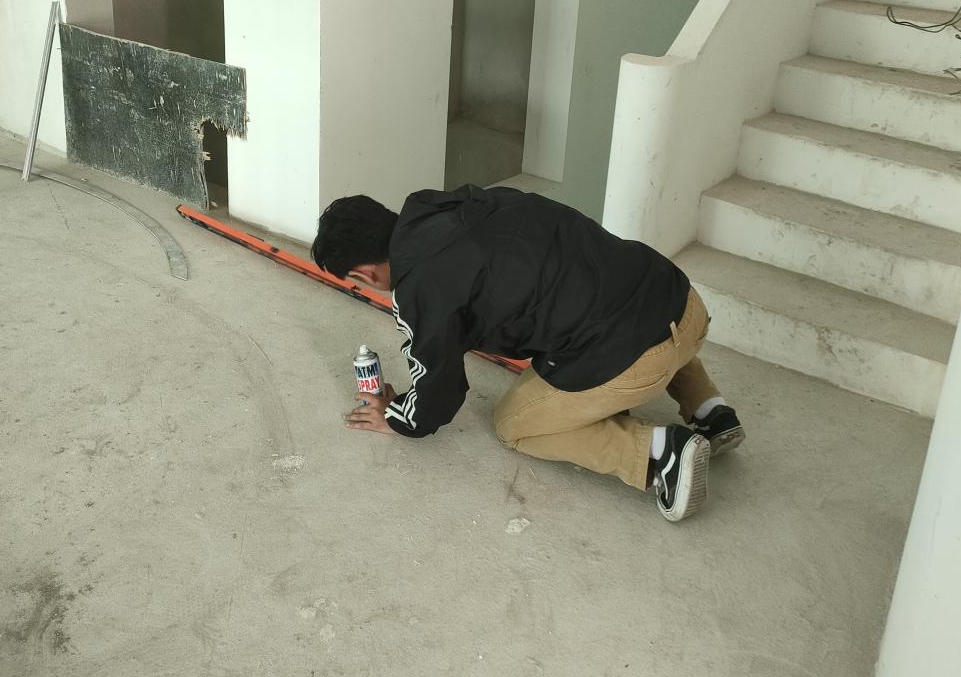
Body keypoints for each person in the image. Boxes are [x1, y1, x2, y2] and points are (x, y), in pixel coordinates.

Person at [312, 184, 744, 522]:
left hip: (638, 356)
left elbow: (438, 390)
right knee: (619, 300)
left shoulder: (420, 288)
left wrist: (398, 417)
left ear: (364, 274)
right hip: (682, 300)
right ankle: (711, 410)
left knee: (514, 424)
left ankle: (662, 450)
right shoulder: (462, 203)